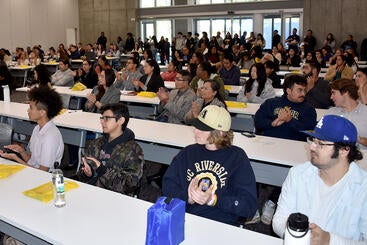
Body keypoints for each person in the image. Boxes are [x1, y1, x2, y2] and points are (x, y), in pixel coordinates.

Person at [272, 115, 366, 244]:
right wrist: (301, 237)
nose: (312, 147)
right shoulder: (298, 174)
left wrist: (329, 240)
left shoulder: (363, 188)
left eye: (320, 143)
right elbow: (279, 220)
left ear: (344, 150)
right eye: (312, 140)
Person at [162, 105, 258, 226]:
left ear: (221, 133)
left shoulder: (237, 157)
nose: (195, 130)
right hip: (186, 217)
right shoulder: (188, 152)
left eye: (203, 128)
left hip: (220, 223)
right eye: (197, 125)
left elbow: (248, 206)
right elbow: (168, 185)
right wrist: (188, 197)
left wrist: (213, 200)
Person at [77, 103, 144, 196]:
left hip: (114, 198)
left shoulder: (133, 150)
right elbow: (82, 174)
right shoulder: (96, 144)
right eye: (102, 118)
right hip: (90, 192)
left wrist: (103, 171)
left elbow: (130, 185)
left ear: (121, 120)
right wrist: (87, 173)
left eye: (107, 118)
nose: (102, 122)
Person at [0, 87, 64, 172]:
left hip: (45, 178)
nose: (28, 110)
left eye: (31, 107)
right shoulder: (37, 128)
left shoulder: (50, 136)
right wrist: (21, 151)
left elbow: (43, 171)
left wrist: (16, 158)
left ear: (42, 112)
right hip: (33, 173)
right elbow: (31, 160)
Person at [254, 74, 317, 141]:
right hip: (268, 143)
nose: (303, 94)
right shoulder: (271, 103)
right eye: (299, 90)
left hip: (294, 146)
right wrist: (272, 123)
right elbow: (257, 122)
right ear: (288, 91)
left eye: (304, 90)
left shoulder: (309, 110)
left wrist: (290, 120)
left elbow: (309, 132)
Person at [326, 78, 367, 149]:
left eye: (334, 93)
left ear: (345, 92)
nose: (331, 97)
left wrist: (359, 139)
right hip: (336, 156)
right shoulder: (331, 113)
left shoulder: (365, 112)